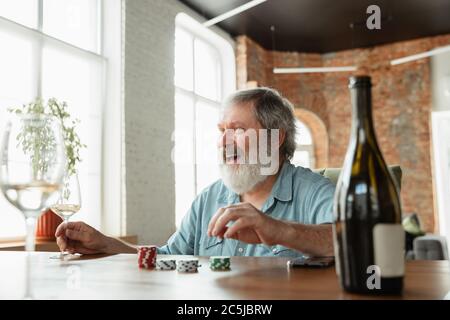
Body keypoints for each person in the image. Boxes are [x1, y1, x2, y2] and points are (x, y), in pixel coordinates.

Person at [56, 87, 335, 258]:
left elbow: (349, 242)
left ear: (275, 138)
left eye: (237, 130)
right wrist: (105, 244)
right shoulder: (209, 198)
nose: (223, 142)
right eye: (222, 132)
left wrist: (276, 229)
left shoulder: (315, 190)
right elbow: (168, 258)